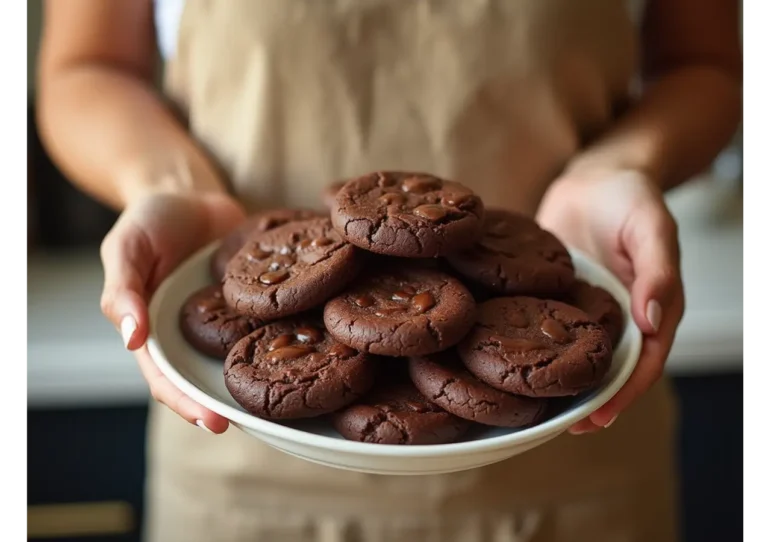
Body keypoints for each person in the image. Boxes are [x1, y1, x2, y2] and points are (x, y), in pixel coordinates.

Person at [36, 0, 741, 540]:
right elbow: (85, 68)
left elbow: (701, 66)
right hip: (239, 464)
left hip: (577, 452)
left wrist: (620, 167)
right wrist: (168, 181)